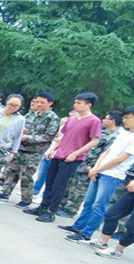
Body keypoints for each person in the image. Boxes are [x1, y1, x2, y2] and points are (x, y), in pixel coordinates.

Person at [59, 106, 134, 243]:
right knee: (88, 203)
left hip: (112, 175)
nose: (124, 120)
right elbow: (106, 152)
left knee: (99, 206)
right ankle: (78, 227)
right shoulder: (124, 134)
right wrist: (96, 168)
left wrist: (98, 169)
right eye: (123, 118)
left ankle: (87, 233)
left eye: (127, 118)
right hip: (99, 171)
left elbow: (121, 158)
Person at [24, 92, 102, 222]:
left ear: (89, 105)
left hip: (72, 158)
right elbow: (64, 136)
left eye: (79, 103)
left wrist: (76, 153)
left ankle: (51, 212)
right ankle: (43, 207)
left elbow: (95, 141)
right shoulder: (72, 119)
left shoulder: (94, 121)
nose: (75, 105)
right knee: (49, 183)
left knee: (59, 186)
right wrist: (53, 149)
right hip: (59, 154)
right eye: (75, 102)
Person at [0, 92, 60, 208]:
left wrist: (29, 137)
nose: (38, 104)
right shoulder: (32, 114)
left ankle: (26, 199)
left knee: (26, 175)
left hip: (34, 151)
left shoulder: (52, 118)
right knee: (11, 171)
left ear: (50, 103)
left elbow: (48, 136)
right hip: (20, 147)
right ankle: (5, 192)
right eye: (37, 101)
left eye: (42, 102)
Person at [57, 111, 123, 217]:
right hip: (83, 160)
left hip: (92, 165)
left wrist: (96, 166)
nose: (103, 120)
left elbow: (106, 153)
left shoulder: (114, 137)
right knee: (72, 184)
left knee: (80, 188)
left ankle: (70, 210)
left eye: (106, 118)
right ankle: (62, 205)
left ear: (113, 121)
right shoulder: (102, 132)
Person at [33, 110, 77, 198]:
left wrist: (58, 140)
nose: (72, 115)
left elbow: (63, 139)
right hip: (51, 150)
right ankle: (35, 191)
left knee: (51, 177)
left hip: (60, 154)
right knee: (42, 173)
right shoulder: (63, 124)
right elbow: (55, 136)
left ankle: (44, 196)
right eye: (71, 113)